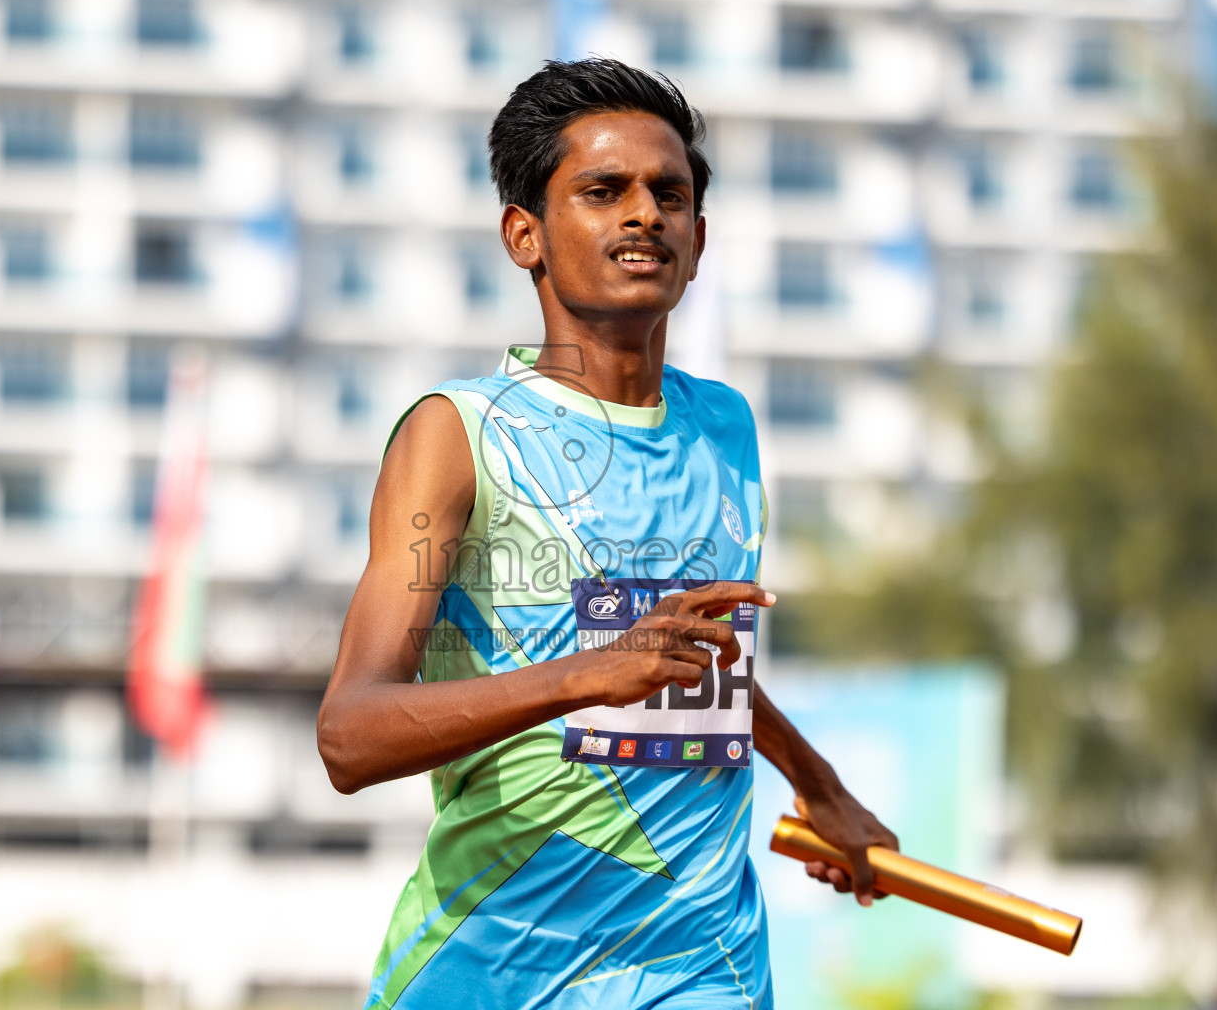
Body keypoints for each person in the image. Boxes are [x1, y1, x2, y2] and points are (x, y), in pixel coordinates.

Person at [318, 58, 897, 1010]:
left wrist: (819, 785)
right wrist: (589, 674)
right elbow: (348, 736)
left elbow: (700, 666)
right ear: (525, 235)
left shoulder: (727, 428)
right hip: (495, 974)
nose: (644, 215)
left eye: (668, 194)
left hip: (705, 970)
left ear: (700, 241)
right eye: (603, 191)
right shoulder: (457, 435)